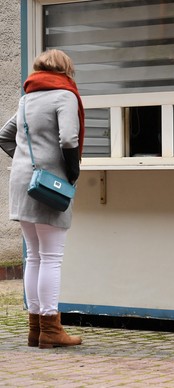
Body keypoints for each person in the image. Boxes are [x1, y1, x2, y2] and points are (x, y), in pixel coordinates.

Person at [0, 49, 83, 348]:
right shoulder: (64, 95)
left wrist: (24, 162)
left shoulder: (27, 98)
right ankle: (51, 328)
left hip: (22, 182)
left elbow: (3, 135)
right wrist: (71, 172)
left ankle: (35, 329)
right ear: (66, 70)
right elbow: (69, 139)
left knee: (33, 256)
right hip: (50, 185)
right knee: (51, 257)